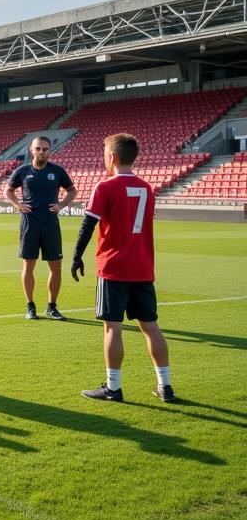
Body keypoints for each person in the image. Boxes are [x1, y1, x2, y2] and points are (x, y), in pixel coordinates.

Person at [71, 132, 175, 403]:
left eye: (105, 154)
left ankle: (113, 388)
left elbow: (87, 225)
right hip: (142, 268)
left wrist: (76, 256)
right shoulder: (147, 188)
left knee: (112, 328)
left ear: (113, 157)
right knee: (151, 328)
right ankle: (165, 386)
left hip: (114, 268)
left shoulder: (105, 187)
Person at [4, 135, 75, 321]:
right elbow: (8, 190)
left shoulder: (58, 171)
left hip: (50, 224)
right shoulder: (22, 171)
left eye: (45, 149)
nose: (41, 152)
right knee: (28, 265)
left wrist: (61, 205)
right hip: (29, 224)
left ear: (50, 150)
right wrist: (18, 205)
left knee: (56, 267)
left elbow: (72, 190)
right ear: (31, 150)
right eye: (38, 149)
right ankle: (30, 306)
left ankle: (52, 306)